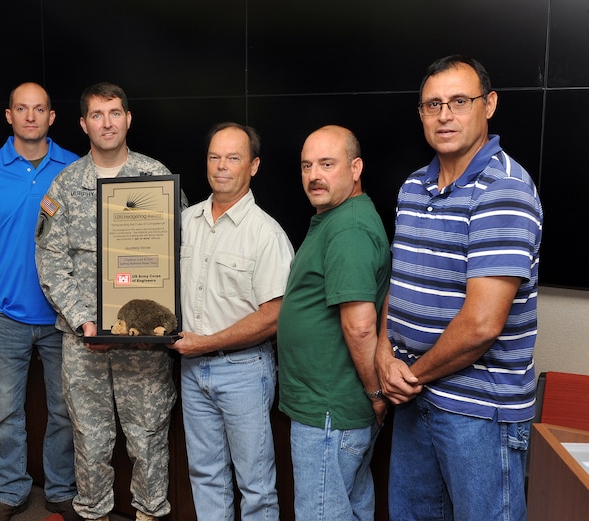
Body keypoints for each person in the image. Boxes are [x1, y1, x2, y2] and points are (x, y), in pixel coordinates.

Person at [374, 55, 543, 521]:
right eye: (433, 105)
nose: (445, 114)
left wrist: (411, 375)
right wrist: (385, 355)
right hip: (415, 400)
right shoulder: (412, 188)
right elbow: (401, 283)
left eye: (459, 101)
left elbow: (482, 325)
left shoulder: (503, 191)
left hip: (478, 414)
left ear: (488, 105)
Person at [35, 82, 184, 521]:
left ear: (128, 119)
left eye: (114, 113)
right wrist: (84, 322)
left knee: (148, 439)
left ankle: (150, 514)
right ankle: (94, 513)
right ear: (83, 124)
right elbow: (50, 264)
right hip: (85, 344)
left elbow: (177, 253)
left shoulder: (155, 178)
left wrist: (159, 320)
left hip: (143, 344)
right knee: (91, 441)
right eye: (97, 115)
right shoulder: (64, 185)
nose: (107, 122)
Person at [0, 82, 80, 521]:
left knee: (64, 412)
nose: (31, 116)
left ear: (52, 116)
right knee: (6, 413)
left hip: (63, 318)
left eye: (40, 109)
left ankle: (61, 490)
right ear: (8, 115)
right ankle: (10, 491)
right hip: (4, 316)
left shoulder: (74, 169)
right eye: (21, 109)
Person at [169, 122, 294, 521]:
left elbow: (274, 317)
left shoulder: (265, 234)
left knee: (255, 485)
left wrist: (204, 344)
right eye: (214, 157)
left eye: (234, 158)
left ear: (253, 166)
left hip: (243, 371)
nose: (222, 166)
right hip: (191, 368)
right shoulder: (184, 223)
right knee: (205, 474)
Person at [277, 125, 390, 520]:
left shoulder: (349, 228)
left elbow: (360, 327)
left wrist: (376, 395)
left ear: (355, 168)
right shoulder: (337, 217)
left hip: (330, 412)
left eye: (327, 164)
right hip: (332, 410)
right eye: (307, 165)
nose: (314, 176)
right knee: (351, 508)